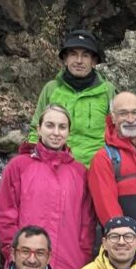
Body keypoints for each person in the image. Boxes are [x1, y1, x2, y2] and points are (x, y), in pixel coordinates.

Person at [0, 104, 95, 269]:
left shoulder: (80, 172)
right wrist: (13, 254)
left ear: (68, 133)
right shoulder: (18, 166)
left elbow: (87, 223)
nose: (56, 132)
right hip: (26, 266)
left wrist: (83, 256)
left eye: (62, 127)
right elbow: (5, 216)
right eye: (50, 125)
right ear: (39, 129)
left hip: (69, 267)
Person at [28, 29, 115, 167]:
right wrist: (31, 161)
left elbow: (116, 132)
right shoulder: (51, 88)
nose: (79, 61)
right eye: (73, 54)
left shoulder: (107, 91)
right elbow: (35, 129)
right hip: (56, 166)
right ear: (65, 59)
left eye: (85, 55)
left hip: (96, 168)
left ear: (94, 61)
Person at [88, 92, 136, 248]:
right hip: (125, 249)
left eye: (135, 112)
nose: (130, 119)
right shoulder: (103, 159)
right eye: (123, 113)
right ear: (113, 118)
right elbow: (110, 215)